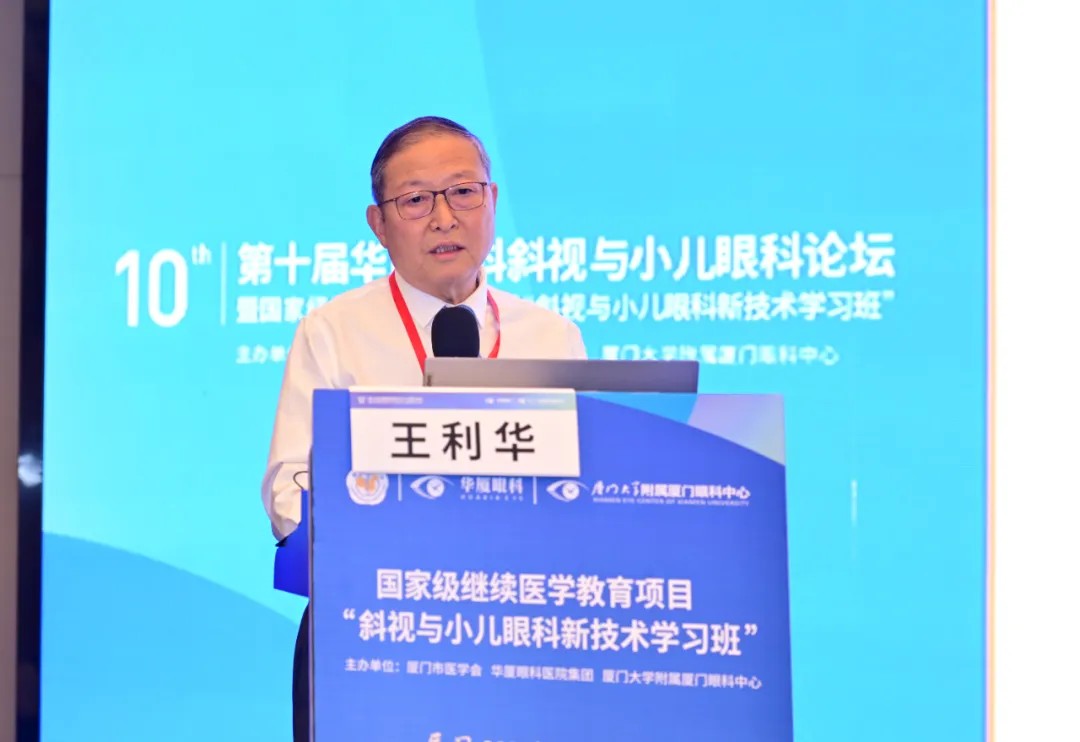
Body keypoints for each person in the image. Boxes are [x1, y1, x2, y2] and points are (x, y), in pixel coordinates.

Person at [260, 116, 588, 741]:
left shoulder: (552, 336)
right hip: (372, 625)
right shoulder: (334, 331)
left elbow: (582, 487)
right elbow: (288, 490)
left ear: (492, 201)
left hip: (517, 628)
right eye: (415, 200)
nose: (444, 218)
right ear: (378, 224)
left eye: (463, 192)